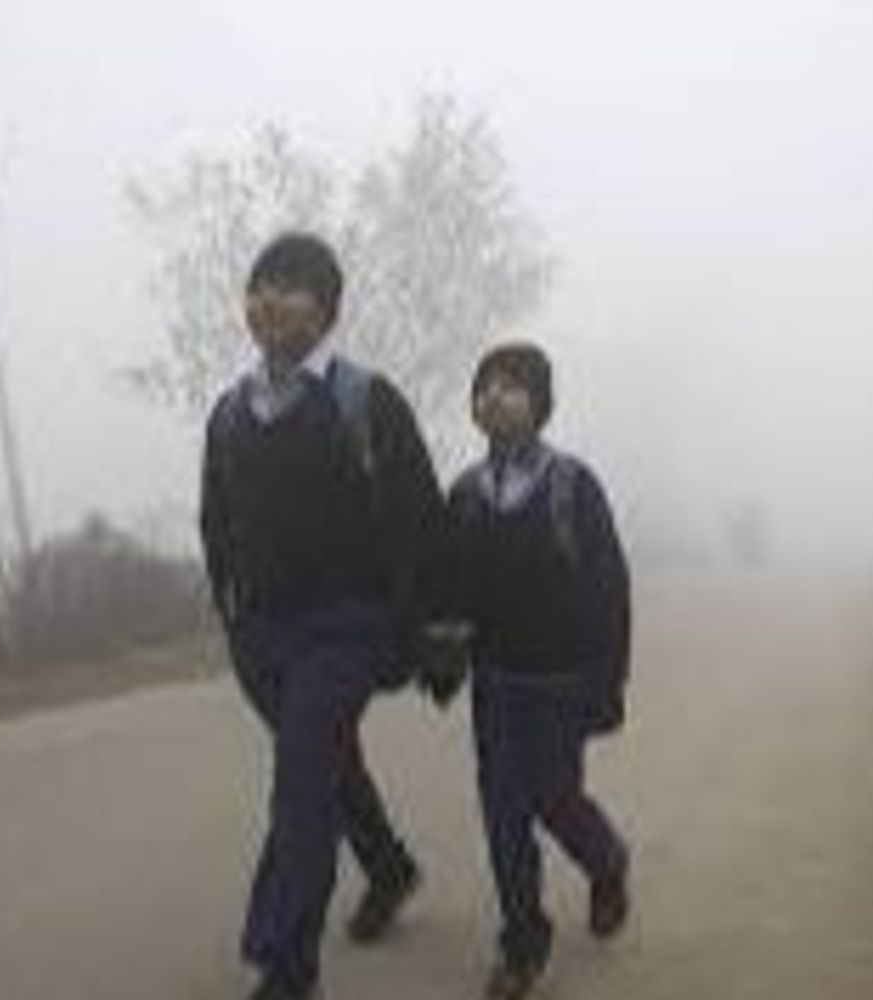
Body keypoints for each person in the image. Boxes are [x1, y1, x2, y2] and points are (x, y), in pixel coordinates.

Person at [199, 232, 446, 1000]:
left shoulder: (364, 400)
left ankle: (284, 963)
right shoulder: (230, 414)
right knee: (326, 761)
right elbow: (217, 523)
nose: (269, 300)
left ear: (326, 310)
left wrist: (434, 631)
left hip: (348, 624)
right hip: (264, 636)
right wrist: (234, 619)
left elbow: (420, 519)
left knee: (302, 778)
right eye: (259, 286)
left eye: (291, 286)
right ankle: (388, 867)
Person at [440, 342, 632, 1000]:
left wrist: (608, 682)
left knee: (556, 798)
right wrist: (439, 653)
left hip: (562, 684)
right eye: (484, 386)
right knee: (503, 814)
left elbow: (609, 590)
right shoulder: (465, 494)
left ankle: (607, 862)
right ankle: (523, 942)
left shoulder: (572, 487)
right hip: (495, 685)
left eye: (512, 385)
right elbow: (448, 588)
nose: (494, 396)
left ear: (541, 404)